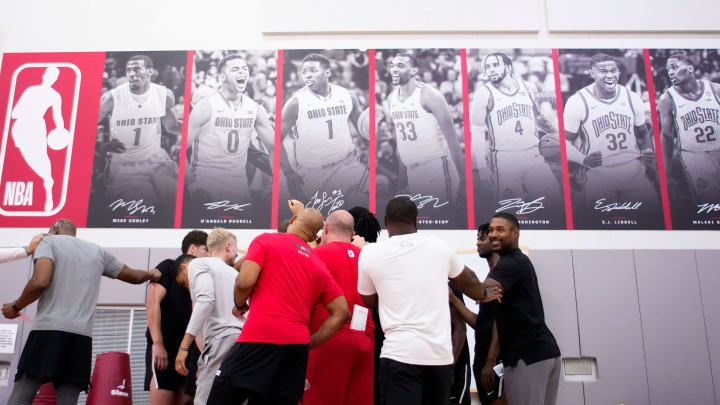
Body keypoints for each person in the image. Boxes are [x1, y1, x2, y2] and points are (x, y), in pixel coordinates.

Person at [357, 196, 500, 405]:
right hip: (438, 358)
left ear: (386, 222)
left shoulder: (369, 253)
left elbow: (368, 300)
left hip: (398, 354)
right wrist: (483, 294)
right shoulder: (438, 246)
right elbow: (469, 280)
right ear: (416, 221)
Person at [3, 218, 161, 405]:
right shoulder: (98, 251)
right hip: (81, 337)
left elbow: (40, 281)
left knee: (22, 395)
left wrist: (15, 307)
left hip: (48, 330)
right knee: (68, 401)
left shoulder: (47, 241)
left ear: (54, 230)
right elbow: (135, 276)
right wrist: (153, 273)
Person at [206, 208, 350, 405]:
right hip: (297, 347)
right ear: (316, 235)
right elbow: (342, 313)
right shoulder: (318, 263)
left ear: (292, 219)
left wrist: (239, 304)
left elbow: (244, 282)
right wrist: (309, 342)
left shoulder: (266, 241)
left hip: (260, 338)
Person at [185, 54, 297, 220]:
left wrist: (284, 178)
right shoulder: (206, 106)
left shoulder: (254, 108)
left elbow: (274, 147)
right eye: (235, 69)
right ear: (222, 76)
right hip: (207, 181)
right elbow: (182, 149)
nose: (242, 72)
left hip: (239, 184)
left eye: (245, 69)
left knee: (238, 240)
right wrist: (192, 185)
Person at [483, 212, 561, 405]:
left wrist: (456, 274)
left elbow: (483, 292)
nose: (493, 234)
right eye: (491, 230)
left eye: (500, 229)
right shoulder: (518, 261)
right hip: (544, 353)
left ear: (515, 233)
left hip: (528, 356)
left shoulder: (510, 263)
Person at [563, 53, 657, 209]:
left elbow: (644, 133)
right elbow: (564, 142)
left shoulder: (632, 98)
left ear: (619, 72)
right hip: (597, 174)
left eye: (613, 70)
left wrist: (647, 150)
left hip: (632, 170)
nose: (610, 75)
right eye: (603, 71)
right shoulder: (577, 101)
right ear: (591, 73)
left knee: (651, 221)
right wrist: (582, 159)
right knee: (604, 228)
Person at [302, 210, 374, 405]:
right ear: (352, 234)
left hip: (326, 337)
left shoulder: (315, 255)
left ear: (325, 229)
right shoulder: (366, 256)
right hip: (364, 338)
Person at [470, 52, 561, 207]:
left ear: (508, 66)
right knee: (509, 214)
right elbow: (477, 132)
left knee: (555, 205)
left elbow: (537, 117)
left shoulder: (530, 88)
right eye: (488, 67)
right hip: (504, 161)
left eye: (495, 65)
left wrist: (557, 135)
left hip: (534, 156)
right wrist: (482, 167)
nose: (491, 70)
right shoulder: (483, 94)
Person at [280, 53, 368, 210]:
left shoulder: (347, 95)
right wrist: (288, 173)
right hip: (314, 172)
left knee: (362, 209)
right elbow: (275, 140)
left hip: (346, 164)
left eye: (313, 70)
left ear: (327, 72)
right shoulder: (295, 102)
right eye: (304, 71)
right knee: (327, 223)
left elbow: (364, 129)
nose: (307, 74)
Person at [96, 54, 183, 207]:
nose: (132, 73)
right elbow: (85, 127)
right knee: (147, 206)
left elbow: (172, 126)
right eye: (128, 70)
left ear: (150, 71)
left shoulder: (164, 95)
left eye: (137, 69)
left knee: (175, 201)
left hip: (157, 160)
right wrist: (99, 146)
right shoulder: (111, 98)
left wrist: (204, 129)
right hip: (126, 166)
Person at [174, 228, 245, 405]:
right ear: (228, 247)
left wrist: (184, 347)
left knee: (204, 400)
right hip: (244, 342)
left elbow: (205, 300)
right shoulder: (237, 275)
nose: (237, 254)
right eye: (236, 250)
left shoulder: (199, 263)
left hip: (221, 339)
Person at [385, 53, 464, 205]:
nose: (394, 69)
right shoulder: (391, 99)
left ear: (414, 71)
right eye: (392, 66)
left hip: (437, 168)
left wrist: (464, 183)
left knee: (440, 222)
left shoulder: (430, 96)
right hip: (413, 172)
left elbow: (453, 140)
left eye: (400, 66)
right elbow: (401, 144)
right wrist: (402, 184)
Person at [145, 230, 209, 405]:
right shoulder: (169, 266)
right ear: (192, 248)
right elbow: (152, 303)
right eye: (206, 249)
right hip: (165, 348)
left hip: (189, 351)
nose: (209, 254)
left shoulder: (205, 278)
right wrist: (158, 344)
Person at [449, 223, 506, 405]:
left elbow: (501, 323)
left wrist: (490, 362)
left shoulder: (501, 278)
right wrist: (454, 298)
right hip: (482, 360)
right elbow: (480, 323)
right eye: (477, 239)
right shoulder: (489, 279)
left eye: (482, 239)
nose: (478, 243)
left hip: (495, 362)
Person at [658, 52, 720, 204]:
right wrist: (665, 174)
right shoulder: (667, 99)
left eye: (674, 67)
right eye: (668, 69)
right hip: (695, 158)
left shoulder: (716, 90)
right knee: (712, 204)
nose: (670, 72)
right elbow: (666, 136)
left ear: (690, 68)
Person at [10, 66, 65, 211]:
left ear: (56, 79)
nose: (51, 78)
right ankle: (48, 180)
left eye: (55, 76)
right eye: (50, 74)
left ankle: (48, 185)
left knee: (41, 156)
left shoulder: (55, 95)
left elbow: (57, 116)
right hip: (21, 126)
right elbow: (15, 112)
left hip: (37, 126)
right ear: (45, 75)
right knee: (28, 157)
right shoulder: (31, 90)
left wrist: (61, 130)